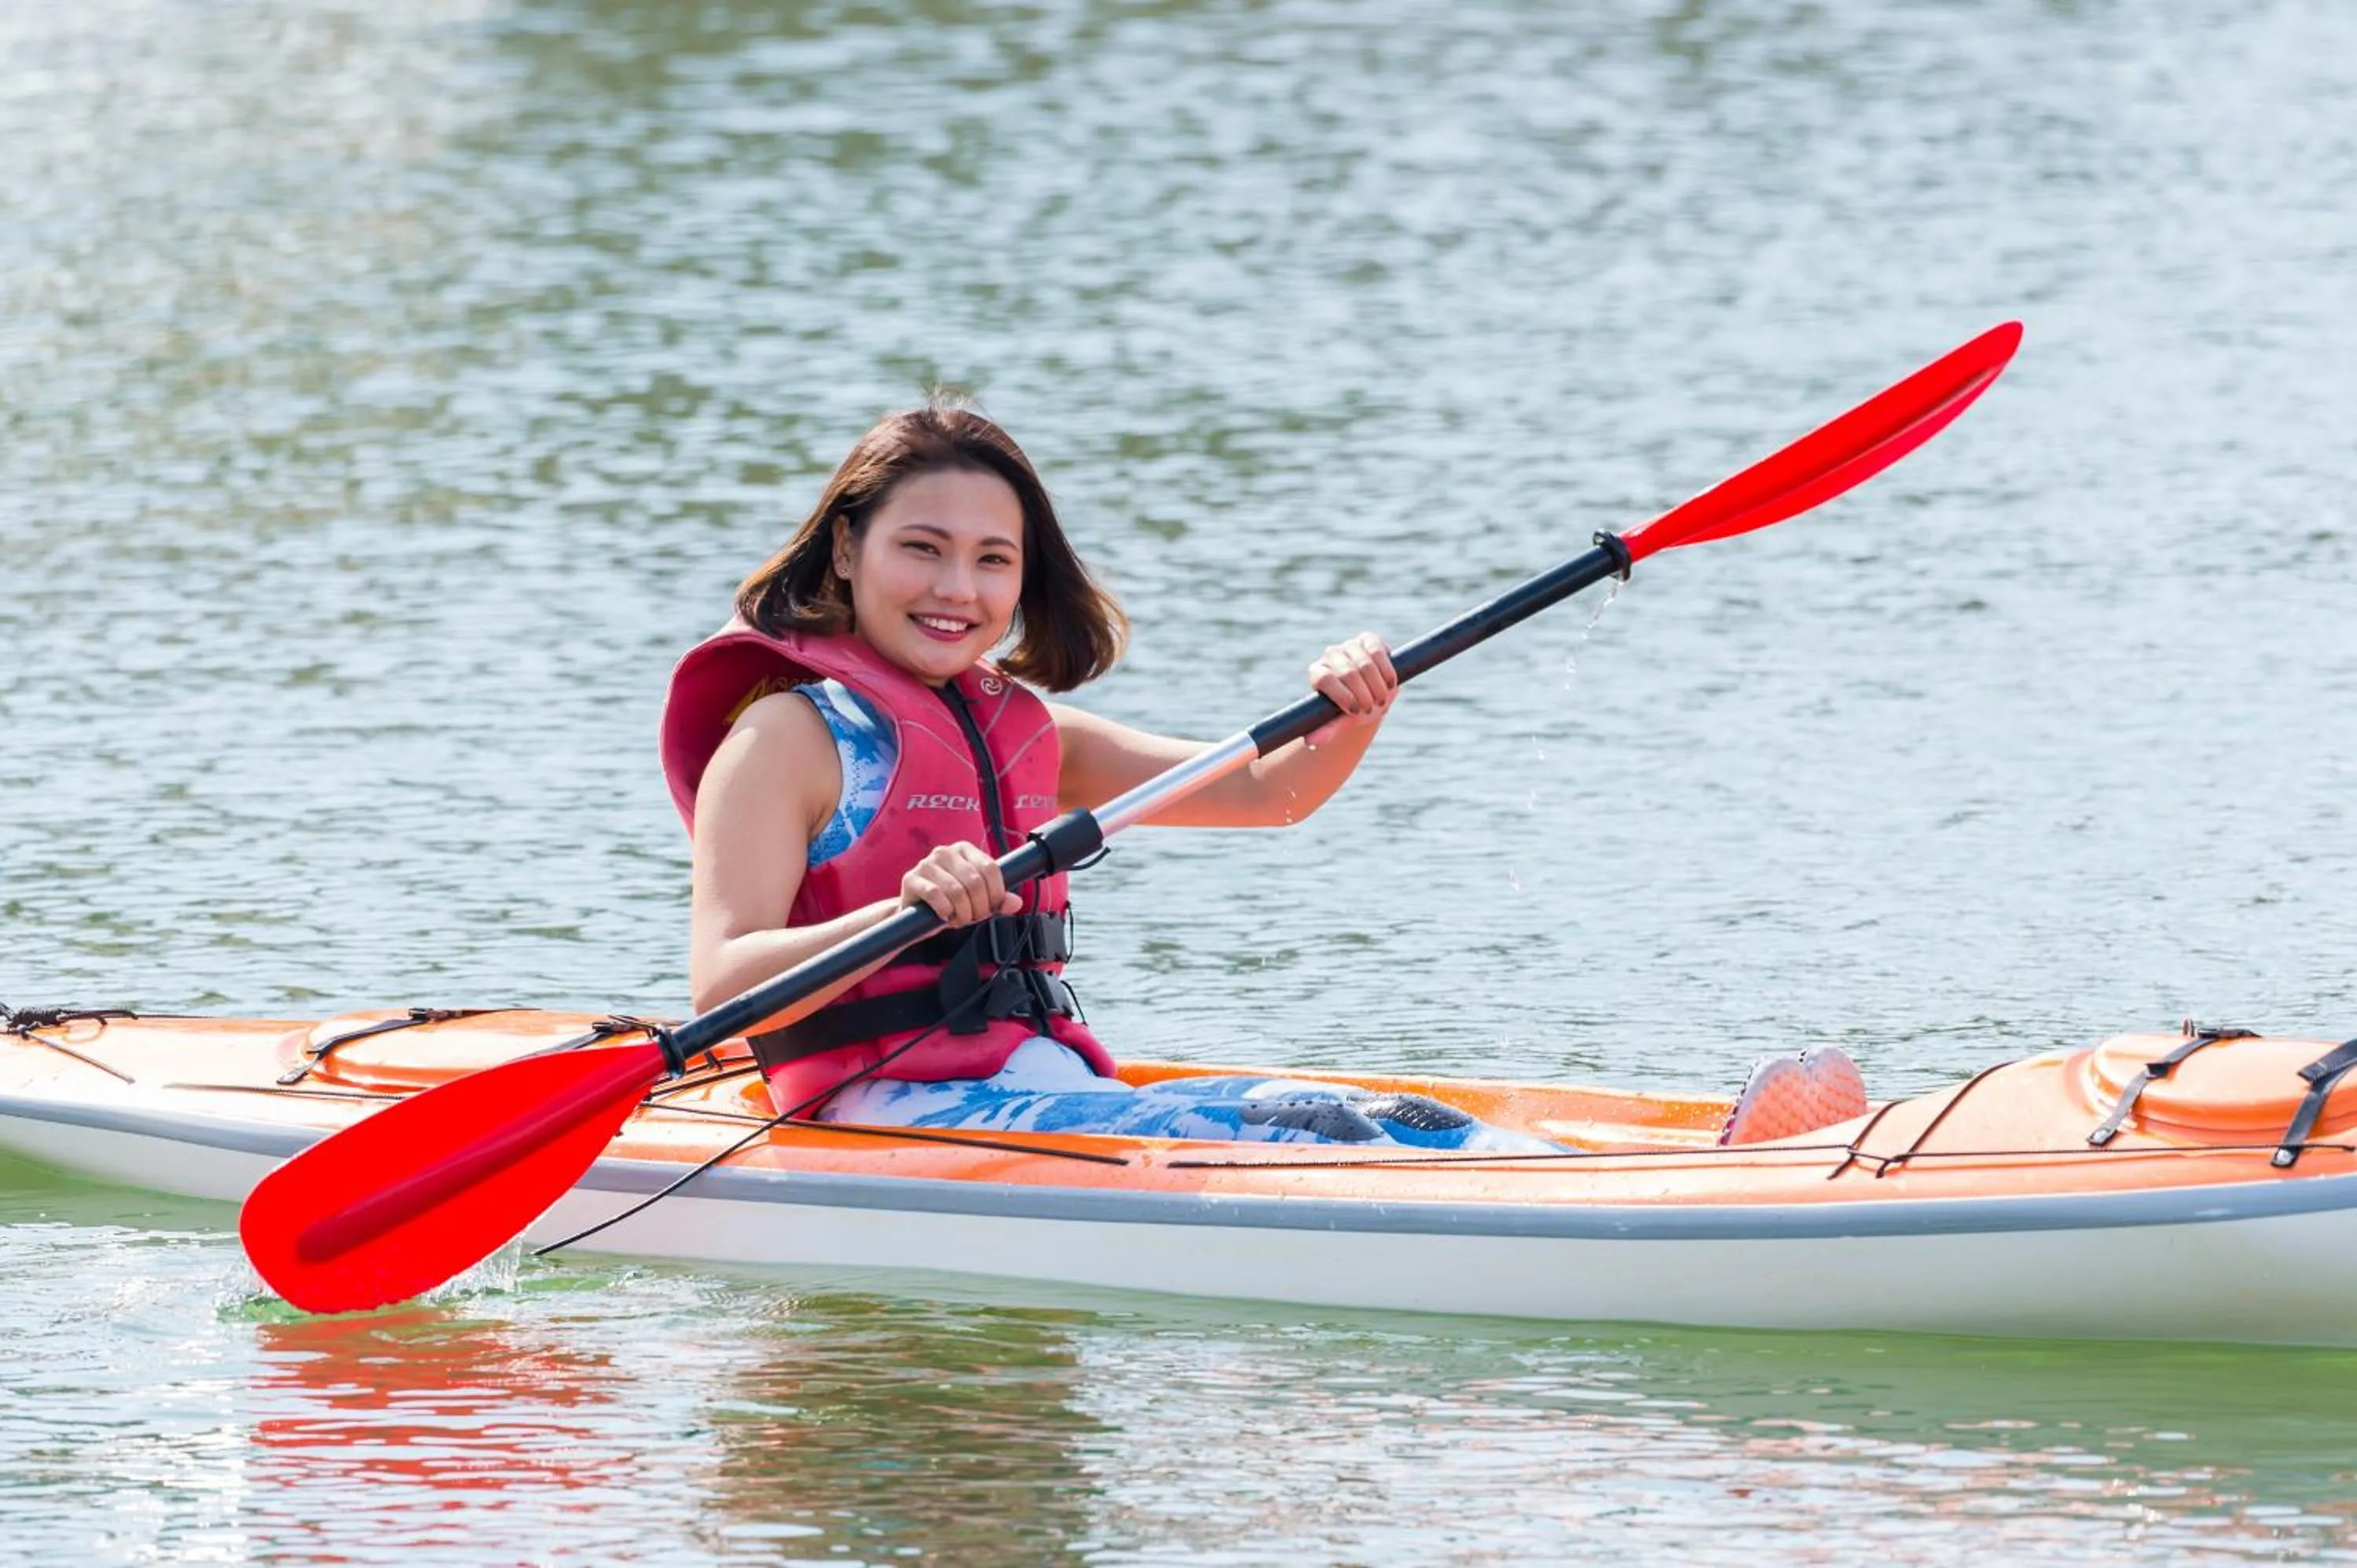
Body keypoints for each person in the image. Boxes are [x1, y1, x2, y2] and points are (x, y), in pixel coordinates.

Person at [659, 400, 1556, 1152]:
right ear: (847, 549)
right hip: (883, 1114)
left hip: (1049, 1088)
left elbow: (1270, 793)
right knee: (1323, 1129)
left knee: (1414, 1122)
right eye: (922, 548)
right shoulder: (784, 738)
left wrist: (1357, 706)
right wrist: (898, 916)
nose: (958, 588)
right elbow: (723, 987)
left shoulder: (1033, 735)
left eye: (993, 559)